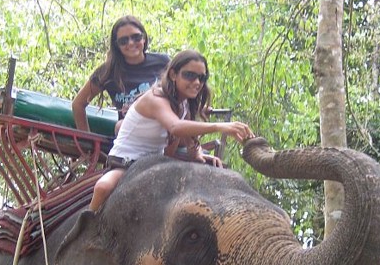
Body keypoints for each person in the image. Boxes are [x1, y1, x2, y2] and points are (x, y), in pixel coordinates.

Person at [88, 50, 254, 211]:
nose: (197, 82)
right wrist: (220, 126)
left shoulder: (184, 101)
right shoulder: (156, 98)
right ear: (173, 74)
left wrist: (197, 154)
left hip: (154, 164)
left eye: (202, 78)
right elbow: (175, 126)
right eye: (189, 75)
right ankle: (89, 228)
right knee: (103, 187)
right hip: (125, 163)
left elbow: (186, 130)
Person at [72, 16, 170, 132]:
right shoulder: (108, 71)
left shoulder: (163, 62)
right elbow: (78, 104)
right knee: (120, 126)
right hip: (131, 133)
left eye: (136, 37)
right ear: (117, 45)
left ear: (144, 38)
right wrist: (86, 141)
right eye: (123, 41)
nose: (131, 43)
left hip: (165, 126)